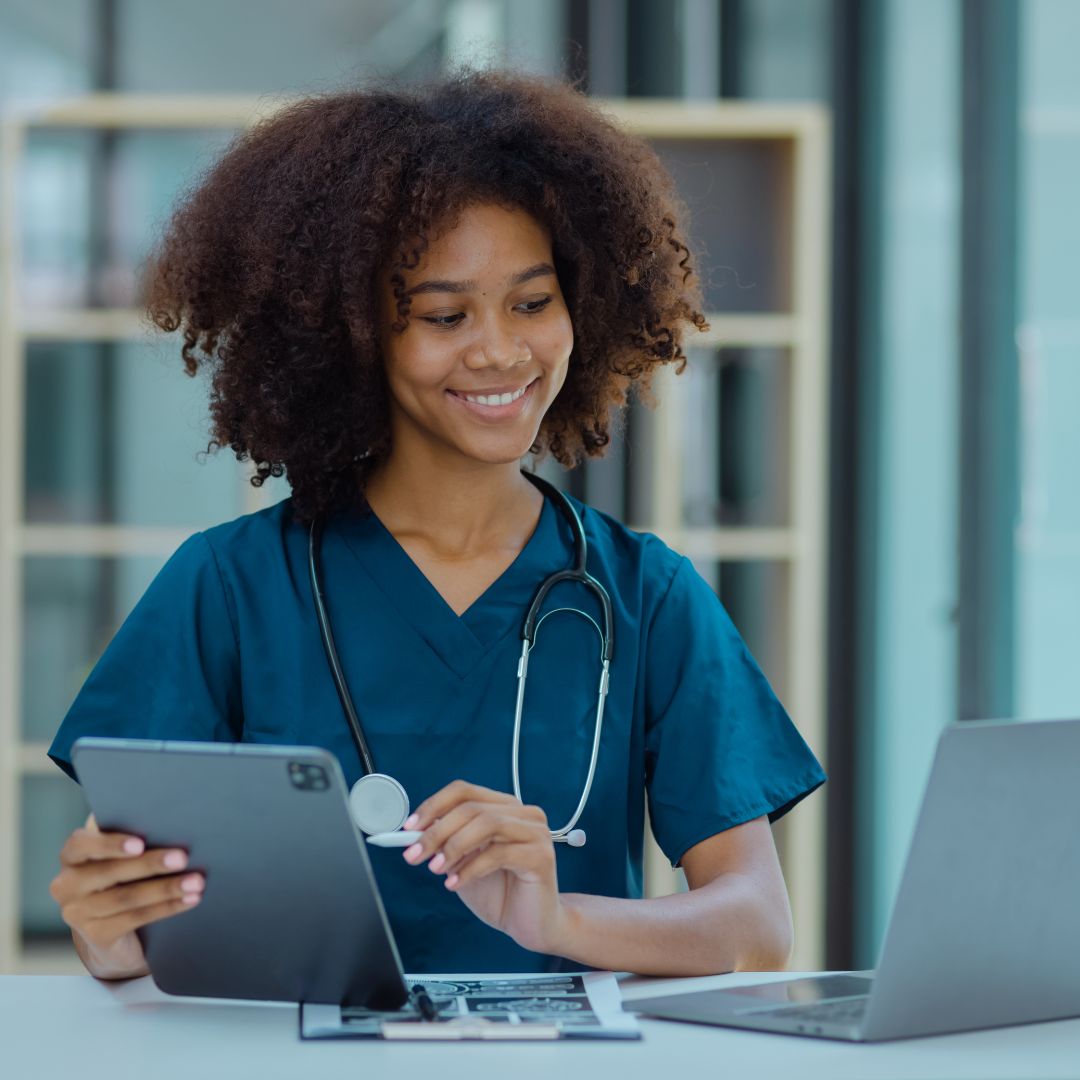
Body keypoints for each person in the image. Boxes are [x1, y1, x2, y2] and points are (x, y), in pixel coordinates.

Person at [46, 66, 826, 982]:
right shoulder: (227, 586)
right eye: (444, 315)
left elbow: (755, 927)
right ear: (350, 335)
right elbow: (130, 938)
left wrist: (559, 918)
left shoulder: (645, 594)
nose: (500, 350)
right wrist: (103, 929)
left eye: (533, 303)